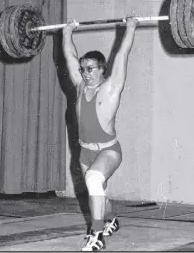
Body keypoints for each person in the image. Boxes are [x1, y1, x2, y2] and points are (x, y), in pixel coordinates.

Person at [62, 16, 138, 251]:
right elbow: (70, 56)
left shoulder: (111, 88)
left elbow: (123, 55)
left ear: (102, 69)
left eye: (91, 69)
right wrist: (67, 32)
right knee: (99, 194)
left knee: (94, 180)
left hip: (108, 151)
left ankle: (96, 235)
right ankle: (111, 220)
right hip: (85, 152)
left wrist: (131, 27)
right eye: (83, 69)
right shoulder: (80, 86)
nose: (85, 73)